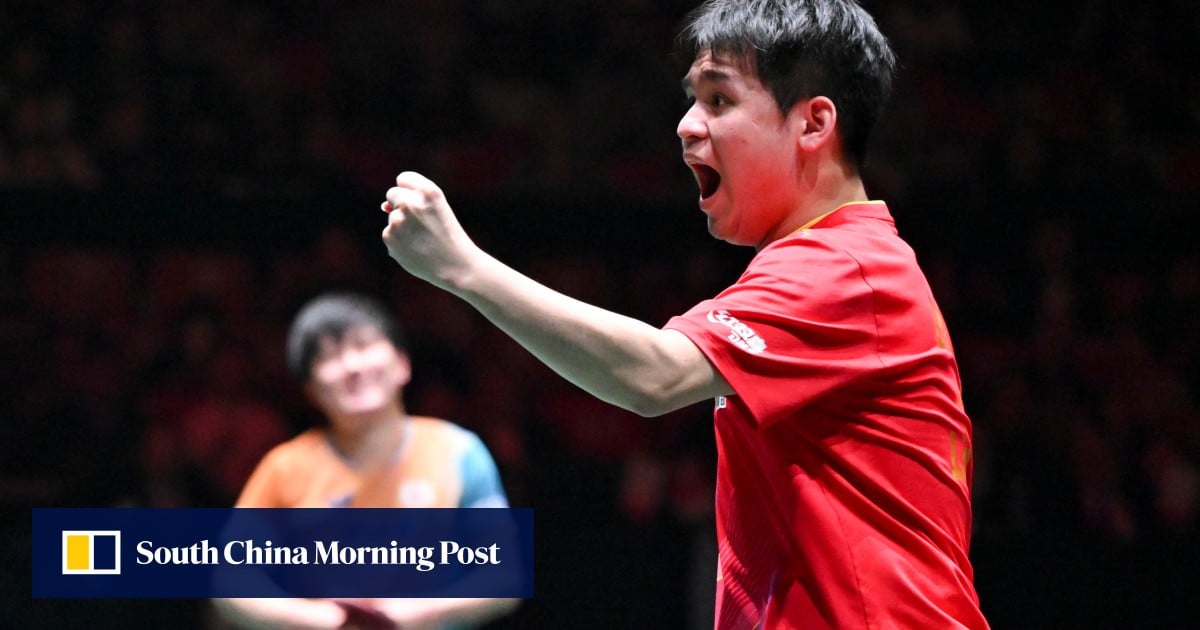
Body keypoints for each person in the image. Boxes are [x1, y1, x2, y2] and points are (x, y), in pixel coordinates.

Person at [377, 0, 988, 627]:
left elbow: (654, 377)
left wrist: (463, 268)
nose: (687, 126)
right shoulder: (839, 262)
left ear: (813, 123)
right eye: (692, 99)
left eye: (719, 100)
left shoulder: (843, 267)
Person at [213, 292, 520, 629]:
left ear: (403, 363)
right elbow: (230, 581)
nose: (352, 367)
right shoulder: (284, 467)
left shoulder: (458, 450)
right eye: (330, 356)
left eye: (363, 345)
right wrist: (321, 621)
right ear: (311, 390)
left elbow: (504, 575)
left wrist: (405, 616)